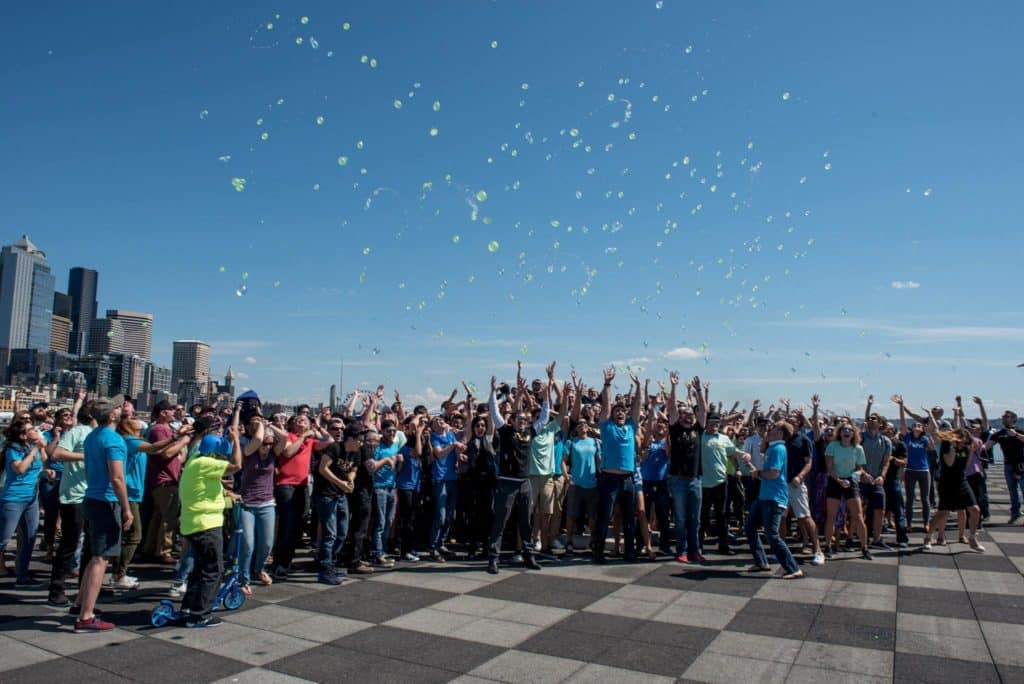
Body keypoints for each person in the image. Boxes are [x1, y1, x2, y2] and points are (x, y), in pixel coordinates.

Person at [176, 408, 243, 627]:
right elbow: (236, 466)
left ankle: (189, 606)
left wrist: (227, 495)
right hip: (206, 525)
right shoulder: (206, 464)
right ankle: (200, 614)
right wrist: (235, 442)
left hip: (193, 523)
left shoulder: (195, 462)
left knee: (200, 568)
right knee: (214, 569)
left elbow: (206, 489)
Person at [113, 414, 192, 589]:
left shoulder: (136, 440)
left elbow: (157, 450)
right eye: (133, 417)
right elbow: (157, 448)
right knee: (134, 535)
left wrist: (178, 436)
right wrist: (178, 438)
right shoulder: (129, 440)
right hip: (129, 492)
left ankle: (119, 572)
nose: (138, 418)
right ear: (126, 425)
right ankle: (119, 574)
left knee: (133, 533)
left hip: (136, 491)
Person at [76, 396, 130, 632]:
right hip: (106, 501)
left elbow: (89, 469)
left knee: (94, 555)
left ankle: (81, 602)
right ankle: (86, 617)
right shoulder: (113, 440)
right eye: (118, 407)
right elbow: (117, 478)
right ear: (111, 416)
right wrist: (126, 508)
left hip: (91, 497)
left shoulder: (91, 437)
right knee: (101, 558)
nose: (122, 409)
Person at [486, 369, 546, 574]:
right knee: (500, 521)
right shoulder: (505, 431)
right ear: (513, 420)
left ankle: (529, 556)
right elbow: (494, 413)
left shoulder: (531, 432)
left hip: (524, 483)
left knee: (526, 523)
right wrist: (493, 393)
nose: (522, 422)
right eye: (519, 419)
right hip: (506, 483)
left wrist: (546, 399)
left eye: (525, 419)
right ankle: (493, 558)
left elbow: (544, 417)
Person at [592, 368, 643, 563]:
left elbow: (637, 406)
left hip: (628, 479)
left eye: (623, 411)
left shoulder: (631, 426)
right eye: (617, 411)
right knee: (605, 517)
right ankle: (598, 552)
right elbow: (605, 404)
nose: (620, 413)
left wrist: (638, 387)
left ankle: (629, 551)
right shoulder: (606, 426)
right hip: (609, 479)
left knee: (630, 518)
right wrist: (607, 384)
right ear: (612, 415)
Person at [46, 401, 94, 608]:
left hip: (92, 495)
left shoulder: (97, 434)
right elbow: (56, 454)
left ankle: (84, 595)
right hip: (74, 496)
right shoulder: (78, 431)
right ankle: (56, 590)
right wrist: (86, 456)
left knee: (90, 548)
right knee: (69, 544)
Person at [745, 422, 803, 579]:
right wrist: (766, 435)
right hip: (765, 496)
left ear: (781, 433)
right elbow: (762, 447)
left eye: (774, 428)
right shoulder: (772, 447)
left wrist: (758, 474)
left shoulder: (778, 449)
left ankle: (793, 568)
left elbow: (773, 473)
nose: (770, 429)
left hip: (774, 498)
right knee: (750, 527)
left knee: (772, 535)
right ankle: (761, 562)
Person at [0, 417, 47, 587]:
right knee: (3, 538)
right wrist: (35, 448)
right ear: (22, 435)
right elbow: (19, 469)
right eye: (31, 429)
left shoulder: (31, 447)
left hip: (31, 498)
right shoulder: (14, 449)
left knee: (29, 538)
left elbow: (42, 462)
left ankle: (23, 575)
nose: (35, 431)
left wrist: (46, 472)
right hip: (13, 499)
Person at [666, 372, 707, 563]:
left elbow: (703, 412)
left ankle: (695, 550)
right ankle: (681, 551)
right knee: (681, 520)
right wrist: (673, 387)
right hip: (678, 479)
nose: (689, 417)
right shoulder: (675, 429)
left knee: (695, 520)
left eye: (691, 414)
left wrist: (698, 390)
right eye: (686, 414)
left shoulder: (698, 429)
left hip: (695, 479)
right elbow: (672, 408)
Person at [925, 427, 984, 552]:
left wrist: (971, 451)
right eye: (961, 440)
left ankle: (972, 538)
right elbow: (950, 463)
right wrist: (952, 446)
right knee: (943, 513)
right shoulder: (947, 445)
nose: (963, 442)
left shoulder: (966, 448)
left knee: (975, 509)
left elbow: (966, 466)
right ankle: (928, 537)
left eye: (965, 440)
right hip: (947, 482)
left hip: (961, 481)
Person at [238, 415, 279, 590]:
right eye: (265, 444)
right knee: (248, 544)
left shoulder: (273, 455)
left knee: (267, 544)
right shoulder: (248, 451)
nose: (267, 447)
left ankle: (259, 569)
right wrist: (262, 426)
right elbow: (258, 439)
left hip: (267, 504)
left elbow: (283, 438)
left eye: (270, 444)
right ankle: (243, 579)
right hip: (247, 504)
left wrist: (272, 427)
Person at [314, 420, 357, 583]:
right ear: (351, 439)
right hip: (326, 494)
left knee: (342, 532)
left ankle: (332, 563)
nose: (361, 443)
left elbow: (353, 469)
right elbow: (322, 468)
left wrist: (350, 481)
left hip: (340, 495)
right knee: (330, 533)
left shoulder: (355, 451)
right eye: (359, 439)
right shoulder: (334, 448)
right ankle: (324, 570)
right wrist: (341, 483)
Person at [823, 424, 873, 560]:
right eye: (844, 429)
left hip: (851, 482)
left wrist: (858, 474)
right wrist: (839, 480)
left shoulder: (858, 449)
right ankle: (828, 546)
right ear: (839, 432)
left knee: (858, 516)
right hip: (835, 481)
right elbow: (829, 468)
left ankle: (864, 548)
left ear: (853, 433)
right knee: (831, 516)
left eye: (850, 430)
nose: (847, 431)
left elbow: (860, 468)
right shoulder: (833, 446)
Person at [892, 395, 932, 533]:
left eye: (919, 425)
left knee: (925, 499)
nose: (917, 425)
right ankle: (908, 524)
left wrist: (929, 432)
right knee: (909, 499)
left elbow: (932, 447)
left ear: (922, 429)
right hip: (909, 470)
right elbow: (903, 423)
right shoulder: (907, 437)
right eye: (915, 424)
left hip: (924, 471)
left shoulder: (925, 439)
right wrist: (901, 406)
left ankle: (927, 523)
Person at [369, 419, 403, 567]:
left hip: (392, 487)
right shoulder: (378, 447)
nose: (392, 433)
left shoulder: (396, 446)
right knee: (380, 522)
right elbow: (372, 467)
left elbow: (398, 469)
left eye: (394, 431)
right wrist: (386, 460)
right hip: (379, 487)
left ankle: (382, 550)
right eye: (389, 431)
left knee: (389, 521)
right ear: (382, 431)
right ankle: (377, 553)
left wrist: (400, 462)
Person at [984, 409, 1024, 524]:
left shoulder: (1019, 431)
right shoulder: (999, 434)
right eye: (1003, 416)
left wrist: (1016, 435)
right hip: (1008, 465)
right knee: (1012, 490)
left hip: (1021, 464)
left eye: (1007, 416)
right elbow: (987, 445)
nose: (1004, 418)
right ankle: (1015, 512)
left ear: (1013, 419)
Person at [396, 416, 426, 561]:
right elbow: (418, 452)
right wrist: (418, 431)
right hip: (405, 488)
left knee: (413, 519)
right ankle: (404, 550)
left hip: (415, 488)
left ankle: (411, 548)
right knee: (407, 520)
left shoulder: (418, 453)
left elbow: (423, 453)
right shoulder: (406, 449)